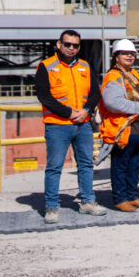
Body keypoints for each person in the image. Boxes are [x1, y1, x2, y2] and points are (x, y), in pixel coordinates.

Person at [35, 29, 105, 223]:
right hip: (57, 125)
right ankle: (51, 207)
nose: (71, 48)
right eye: (67, 44)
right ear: (59, 45)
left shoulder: (85, 66)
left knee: (85, 164)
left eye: (75, 45)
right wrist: (67, 113)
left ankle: (88, 202)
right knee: (55, 166)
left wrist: (87, 110)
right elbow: (44, 96)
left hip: (82, 125)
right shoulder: (46, 66)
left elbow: (94, 92)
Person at [99, 39, 139, 211]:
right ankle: (120, 198)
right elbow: (113, 103)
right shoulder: (114, 77)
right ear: (116, 57)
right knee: (121, 165)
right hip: (125, 130)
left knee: (135, 165)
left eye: (132, 54)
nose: (129, 56)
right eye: (125, 53)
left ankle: (132, 196)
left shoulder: (134, 74)